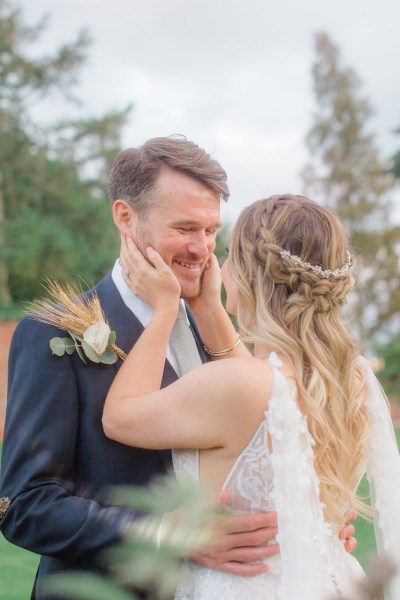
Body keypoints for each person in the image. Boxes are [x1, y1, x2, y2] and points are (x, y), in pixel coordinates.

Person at [1, 138, 315, 600]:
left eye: (211, 230)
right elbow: (23, 505)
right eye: (186, 228)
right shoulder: (52, 336)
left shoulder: (220, 336)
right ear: (126, 218)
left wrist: (310, 525)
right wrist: (163, 533)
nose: (202, 249)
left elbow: (268, 452)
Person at [103, 193, 400, 600]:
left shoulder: (241, 383)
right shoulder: (355, 379)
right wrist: (209, 309)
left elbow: (119, 417)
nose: (219, 266)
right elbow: (265, 398)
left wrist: (164, 310)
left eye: (227, 254)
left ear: (247, 273)